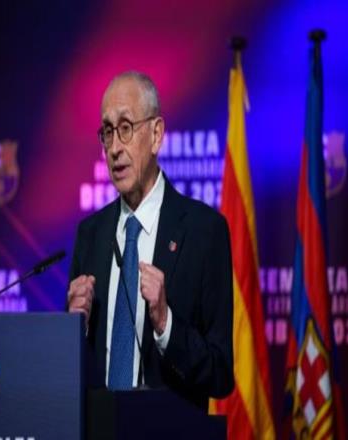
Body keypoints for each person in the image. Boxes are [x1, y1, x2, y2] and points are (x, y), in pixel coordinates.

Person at [68, 71, 233, 408]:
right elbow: (69, 376)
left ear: (156, 135)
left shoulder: (204, 232)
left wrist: (165, 323)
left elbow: (220, 374)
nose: (115, 148)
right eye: (107, 132)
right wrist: (72, 330)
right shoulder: (90, 234)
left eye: (126, 128)